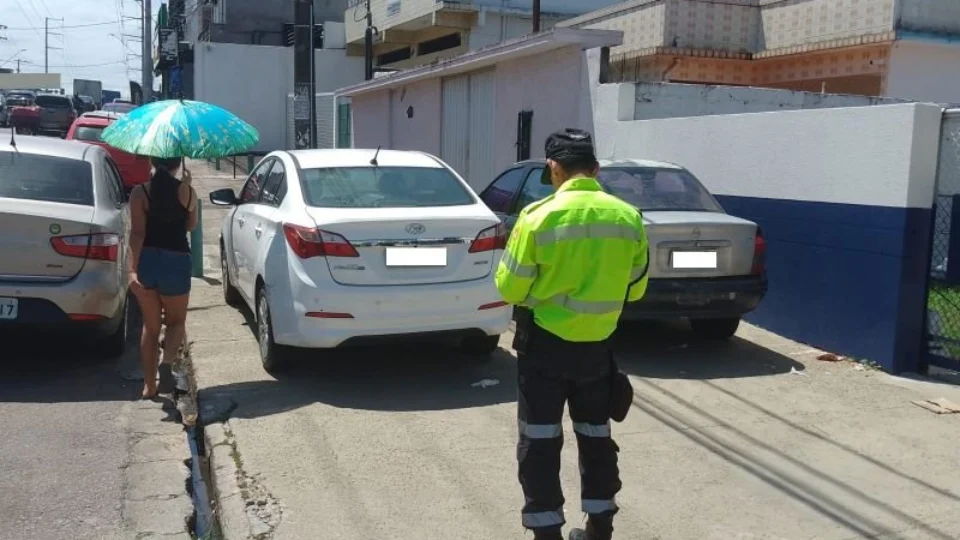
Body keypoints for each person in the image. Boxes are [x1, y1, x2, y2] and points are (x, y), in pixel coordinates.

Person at [495, 129, 650, 540]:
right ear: (595, 170)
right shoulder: (627, 217)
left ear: (553, 169)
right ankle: (600, 527)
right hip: (599, 350)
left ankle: (547, 533)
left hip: (543, 348)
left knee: (541, 441)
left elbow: (508, 289)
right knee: (596, 437)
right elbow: (636, 288)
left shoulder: (536, 218)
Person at [128, 156, 198, 399]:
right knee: (176, 322)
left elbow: (137, 233)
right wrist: (187, 189)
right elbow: (190, 226)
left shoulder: (140, 193)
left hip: (148, 260)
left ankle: (149, 386)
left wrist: (131, 271)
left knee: (151, 326)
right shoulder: (187, 192)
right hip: (176, 261)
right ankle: (166, 362)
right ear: (177, 164)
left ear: (151, 160)